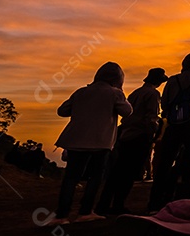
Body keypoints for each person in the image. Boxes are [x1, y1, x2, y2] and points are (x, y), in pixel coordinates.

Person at [41, 62, 132, 225]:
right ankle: (85, 212)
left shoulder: (81, 92)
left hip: (76, 141)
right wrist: (120, 93)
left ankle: (61, 215)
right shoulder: (114, 94)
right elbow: (127, 111)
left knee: (71, 178)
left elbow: (62, 111)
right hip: (100, 142)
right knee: (95, 177)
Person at [148, 53, 190, 212]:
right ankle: (188, 201)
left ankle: (155, 203)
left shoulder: (172, 80)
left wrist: (176, 115)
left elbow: (164, 104)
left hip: (173, 125)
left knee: (165, 163)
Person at [98, 67, 167, 214]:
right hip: (140, 135)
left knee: (117, 171)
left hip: (126, 134)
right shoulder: (153, 94)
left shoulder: (136, 92)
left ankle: (104, 204)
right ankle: (118, 204)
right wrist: (152, 135)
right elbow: (151, 117)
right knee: (129, 173)